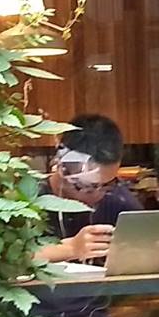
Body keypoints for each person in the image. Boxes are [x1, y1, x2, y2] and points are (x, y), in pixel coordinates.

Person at [36, 113, 141, 263]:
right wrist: (71, 249)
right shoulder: (29, 201)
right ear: (63, 168)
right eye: (88, 187)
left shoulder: (121, 205)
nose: (98, 195)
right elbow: (9, 260)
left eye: (107, 185)